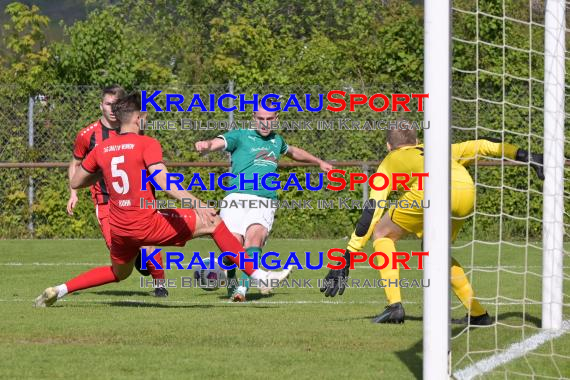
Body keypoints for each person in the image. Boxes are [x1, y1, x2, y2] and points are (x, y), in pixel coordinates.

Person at [35, 93, 289, 307]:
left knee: (118, 273)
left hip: (120, 228)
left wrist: (104, 170)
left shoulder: (101, 149)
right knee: (213, 221)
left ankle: (60, 289)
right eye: (145, 116)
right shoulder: (146, 143)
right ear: (137, 118)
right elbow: (164, 181)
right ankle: (260, 276)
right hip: (147, 223)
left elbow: (76, 181)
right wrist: (197, 204)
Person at [320, 124, 544, 325]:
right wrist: (526, 155)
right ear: (416, 142)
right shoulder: (437, 149)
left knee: (382, 233)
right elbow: (483, 145)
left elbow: (373, 209)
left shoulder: (389, 161)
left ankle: (394, 306)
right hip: (466, 191)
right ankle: (478, 314)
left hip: (430, 191)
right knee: (437, 253)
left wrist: (348, 254)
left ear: (389, 146)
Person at [195, 101, 333, 301]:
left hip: (264, 200)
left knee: (255, 238)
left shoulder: (277, 141)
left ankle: (242, 290)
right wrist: (206, 145)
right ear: (254, 117)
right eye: (261, 119)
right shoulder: (241, 135)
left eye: (269, 119)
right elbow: (218, 142)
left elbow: (294, 152)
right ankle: (230, 280)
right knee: (233, 244)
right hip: (236, 198)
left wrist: (319, 161)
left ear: (276, 119)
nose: (265, 123)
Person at [67, 85, 168, 297]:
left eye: (116, 104)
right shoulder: (87, 135)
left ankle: (161, 285)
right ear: (100, 105)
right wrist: (73, 192)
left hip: (136, 196)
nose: (112, 109)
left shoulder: (135, 128)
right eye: (108, 104)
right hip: (105, 201)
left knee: (148, 241)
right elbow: (75, 163)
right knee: (119, 251)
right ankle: (138, 258)